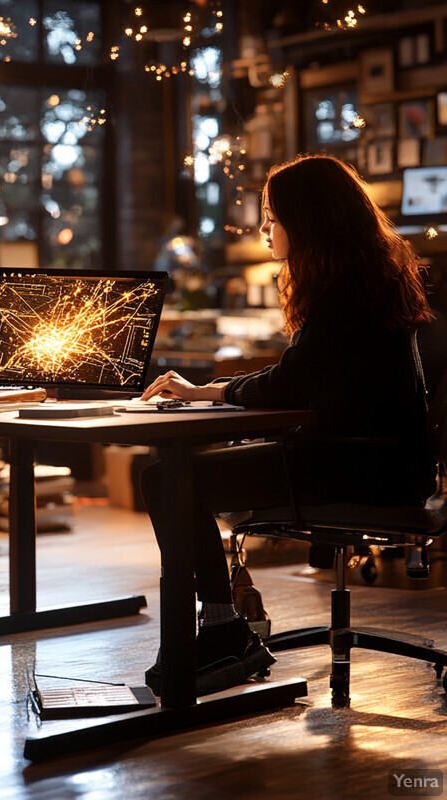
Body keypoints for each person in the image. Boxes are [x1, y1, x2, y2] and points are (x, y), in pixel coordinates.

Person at [138, 154, 437, 695]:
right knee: (172, 476)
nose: (264, 228)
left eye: (273, 216)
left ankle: (224, 629)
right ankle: (224, 627)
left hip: (358, 465)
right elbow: (303, 379)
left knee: (167, 479)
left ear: (311, 219)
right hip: (383, 461)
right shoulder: (366, 279)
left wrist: (206, 392)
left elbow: (287, 385)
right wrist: (216, 393)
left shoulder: (345, 295)